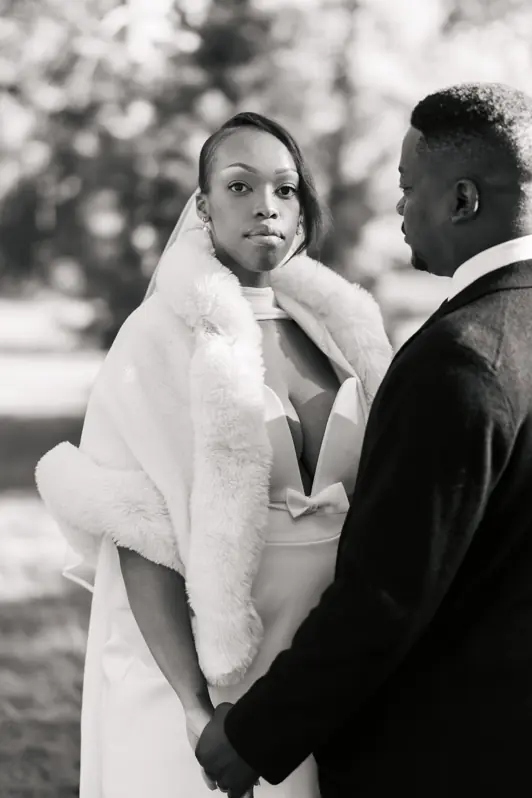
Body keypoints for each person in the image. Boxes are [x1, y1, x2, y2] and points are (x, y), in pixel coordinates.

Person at [35, 111, 392, 798]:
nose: (267, 205)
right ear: (202, 205)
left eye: (285, 188)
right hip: (212, 658)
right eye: (239, 186)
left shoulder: (338, 325)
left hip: (319, 658)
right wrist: (196, 707)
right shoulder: (159, 336)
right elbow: (138, 533)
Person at [195, 82, 532, 798]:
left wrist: (252, 737)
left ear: (462, 201)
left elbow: (387, 594)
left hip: (450, 753)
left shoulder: (462, 357)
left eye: (411, 187)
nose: (400, 207)